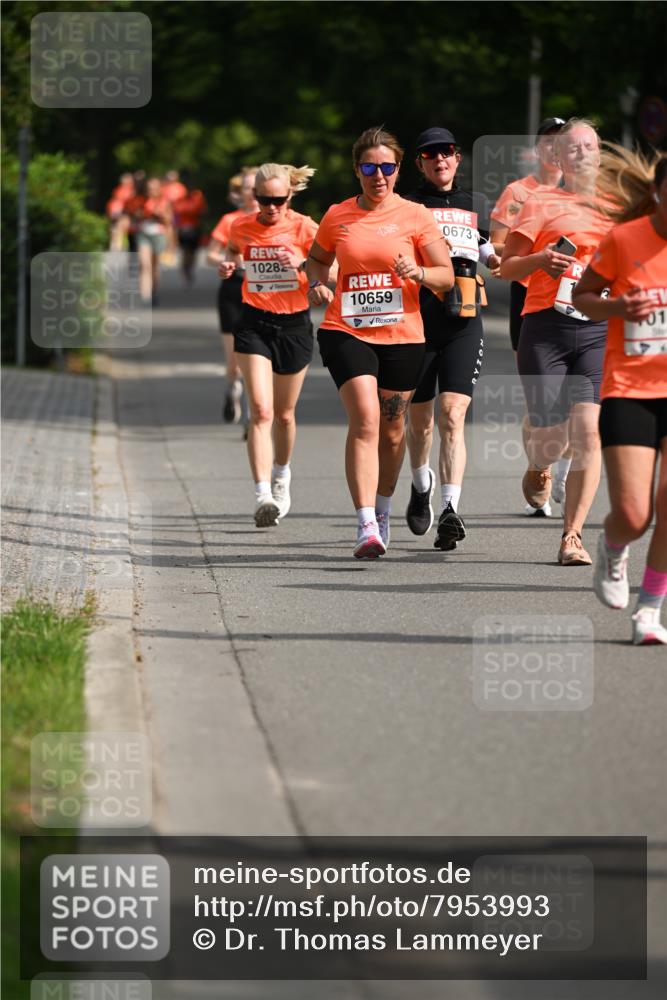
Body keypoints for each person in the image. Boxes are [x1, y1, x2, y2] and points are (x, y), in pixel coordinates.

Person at [306, 126, 453, 559]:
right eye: (369, 167)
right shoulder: (337, 215)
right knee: (366, 420)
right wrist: (318, 282)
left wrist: (420, 273)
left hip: (404, 335)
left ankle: (384, 510)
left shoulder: (415, 215)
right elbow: (317, 258)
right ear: (357, 170)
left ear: (397, 169)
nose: (378, 175)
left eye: (386, 167)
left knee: (393, 433)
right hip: (346, 330)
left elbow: (446, 275)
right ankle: (366, 521)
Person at [500, 119, 613, 565]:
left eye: (589, 146)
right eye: (572, 148)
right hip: (545, 326)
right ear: (558, 158)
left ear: (600, 153)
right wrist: (539, 261)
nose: (582, 153)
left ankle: (573, 535)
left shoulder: (621, 207)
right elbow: (507, 267)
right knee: (550, 432)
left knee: (587, 432)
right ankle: (540, 464)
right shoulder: (540, 202)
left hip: (597, 330)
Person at [572, 148, 667, 644]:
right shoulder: (626, 238)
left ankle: (650, 609)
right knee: (635, 513)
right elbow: (581, 298)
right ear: (656, 192)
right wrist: (618, 308)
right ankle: (613, 546)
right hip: (631, 389)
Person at [403, 127, 500, 551]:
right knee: (420, 422)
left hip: (464, 318)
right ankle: (421, 482)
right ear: (420, 163)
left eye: (446, 153)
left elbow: (485, 247)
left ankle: (449, 510)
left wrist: (495, 256)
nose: (439, 160)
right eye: (430, 155)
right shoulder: (407, 205)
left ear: (457, 158)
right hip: (417, 320)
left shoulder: (476, 203)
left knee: (453, 414)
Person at [218, 163, 318, 527]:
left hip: (293, 325)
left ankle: (281, 475)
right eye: (264, 199)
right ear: (254, 197)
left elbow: (336, 269)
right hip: (253, 323)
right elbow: (231, 250)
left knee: (285, 414)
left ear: (290, 195)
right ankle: (262, 495)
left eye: (278, 199)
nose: (271, 206)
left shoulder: (305, 226)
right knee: (261, 411)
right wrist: (230, 266)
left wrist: (303, 263)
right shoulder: (241, 225)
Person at [491, 117, 570, 515]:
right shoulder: (518, 192)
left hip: (579, 307)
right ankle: (540, 470)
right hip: (532, 308)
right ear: (539, 149)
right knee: (538, 402)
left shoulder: (588, 195)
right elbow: (499, 245)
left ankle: (565, 468)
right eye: (549, 143)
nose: (556, 150)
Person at [207, 169, 258, 424]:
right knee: (234, 360)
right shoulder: (230, 220)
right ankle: (232, 389)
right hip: (233, 290)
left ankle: (252, 415)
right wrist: (234, 262)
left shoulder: (273, 221)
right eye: (247, 187)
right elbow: (210, 255)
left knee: (257, 357)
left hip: (262, 294)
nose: (251, 192)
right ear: (241, 192)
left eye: (255, 186)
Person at [122, 176, 173, 306]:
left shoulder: (164, 202)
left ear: (159, 189)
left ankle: (154, 291)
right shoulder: (139, 201)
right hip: (143, 234)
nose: (151, 190)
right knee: (145, 265)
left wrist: (159, 215)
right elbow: (130, 216)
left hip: (158, 235)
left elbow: (169, 222)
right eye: (149, 188)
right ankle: (145, 296)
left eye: (154, 188)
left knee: (154, 266)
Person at [172, 171, 208, 284]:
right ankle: (185, 270)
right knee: (185, 252)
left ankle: (189, 268)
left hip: (195, 228)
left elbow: (203, 210)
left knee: (193, 252)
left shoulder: (198, 196)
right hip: (183, 230)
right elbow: (175, 214)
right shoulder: (179, 199)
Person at [106, 173, 135, 251]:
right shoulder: (118, 190)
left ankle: (119, 247)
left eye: (126, 179)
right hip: (117, 212)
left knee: (121, 230)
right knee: (115, 231)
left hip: (126, 213)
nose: (124, 181)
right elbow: (115, 202)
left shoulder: (132, 191)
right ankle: (115, 248)